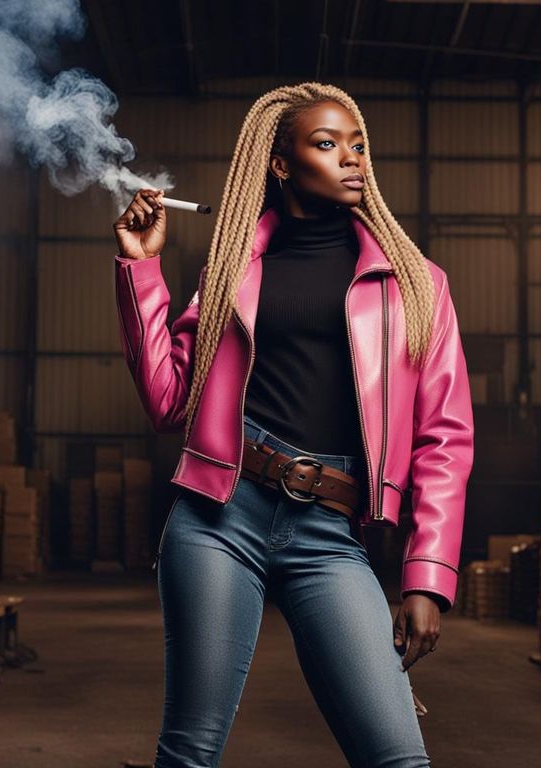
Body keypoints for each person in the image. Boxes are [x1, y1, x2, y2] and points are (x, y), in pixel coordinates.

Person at [114, 82, 472, 766]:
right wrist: (140, 268)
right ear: (280, 163)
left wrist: (428, 576)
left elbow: (445, 437)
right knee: (190, 752)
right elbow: (167, 401)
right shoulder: (231, 270)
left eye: (358, 145)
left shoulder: (418, 286)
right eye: (328, 143)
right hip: (221, 518)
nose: (352, 159)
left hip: (330, 534)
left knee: (400, 759)